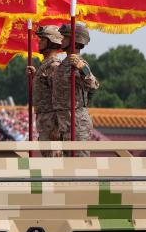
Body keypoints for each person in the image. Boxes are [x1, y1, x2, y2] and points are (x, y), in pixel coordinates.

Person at [53, 23, 100, 157]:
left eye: (65, 37)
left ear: (75, 40)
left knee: (80, 163)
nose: (61, 40)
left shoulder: (79, 63)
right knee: (67, 164)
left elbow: (93, 84)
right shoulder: (64, 64)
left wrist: (81, 68)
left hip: (77, 122)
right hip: (64, 121)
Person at [29, 25, 64, 157]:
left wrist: (57, 127)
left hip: (51, 122)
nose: (39, 42)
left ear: (52, 42)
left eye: (43, 39)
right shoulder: (46, 66)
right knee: (47, 157)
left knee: (53, 160)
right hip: (45, 120)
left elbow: (60, 98)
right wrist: (35, 76)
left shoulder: (54, 66)